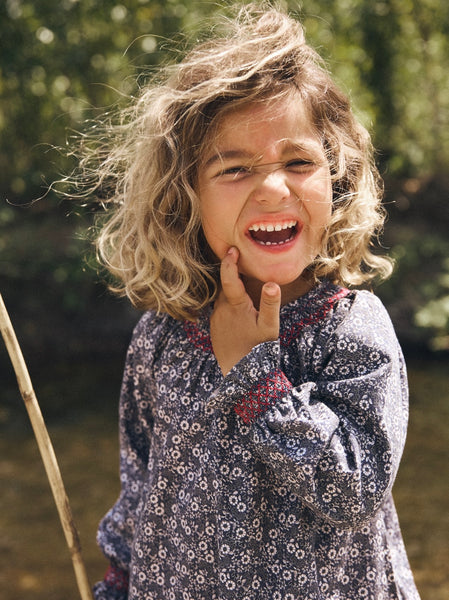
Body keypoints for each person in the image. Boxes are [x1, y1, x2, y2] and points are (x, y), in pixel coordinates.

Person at [87, 3, 421, 599]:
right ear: (183, 196)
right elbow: (140, 484)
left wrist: (255, 377)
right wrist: (119, 581)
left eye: (299, 162)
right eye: (235, 169)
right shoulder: (163, 336)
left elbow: (354, 488)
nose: (273, 188)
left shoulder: (351, 332)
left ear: (336, 180)